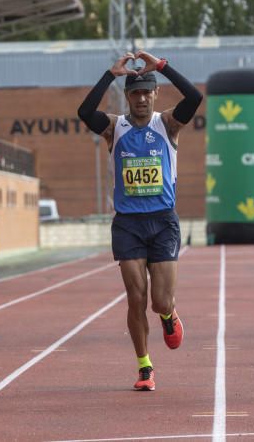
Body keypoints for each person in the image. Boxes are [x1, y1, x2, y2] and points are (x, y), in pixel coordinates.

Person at [77, 50, 202, 391]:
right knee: (136, 298)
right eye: (136, 92)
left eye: (147, 91)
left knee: (160, 301)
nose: (142, 98)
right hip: (128, 224)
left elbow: (195, 96)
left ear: (155, 94)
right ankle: (145, 367)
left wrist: (162, 66)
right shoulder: (115, 128)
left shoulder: (168, 124)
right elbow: (84, 112)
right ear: (128, 96)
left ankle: (168, 315)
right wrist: (110, 74)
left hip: (162, 221)